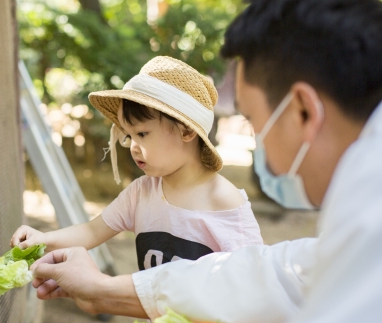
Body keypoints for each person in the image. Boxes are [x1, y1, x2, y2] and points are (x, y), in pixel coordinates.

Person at [27, 0, 382, 322]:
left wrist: (103, 290)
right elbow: (262, 279)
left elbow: (251, 285)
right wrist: (99, 288)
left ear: (303, 111)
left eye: (254, 122)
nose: (258, 145)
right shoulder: (359, 216)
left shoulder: (366, 223)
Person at [11, 56, 263, 272]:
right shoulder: (141, 193)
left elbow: (255, 279)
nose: (132, 145)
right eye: (128, 135)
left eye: (142, 134)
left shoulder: (225, 203)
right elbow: (91, 232)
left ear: (186, 131)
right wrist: (41, 239)